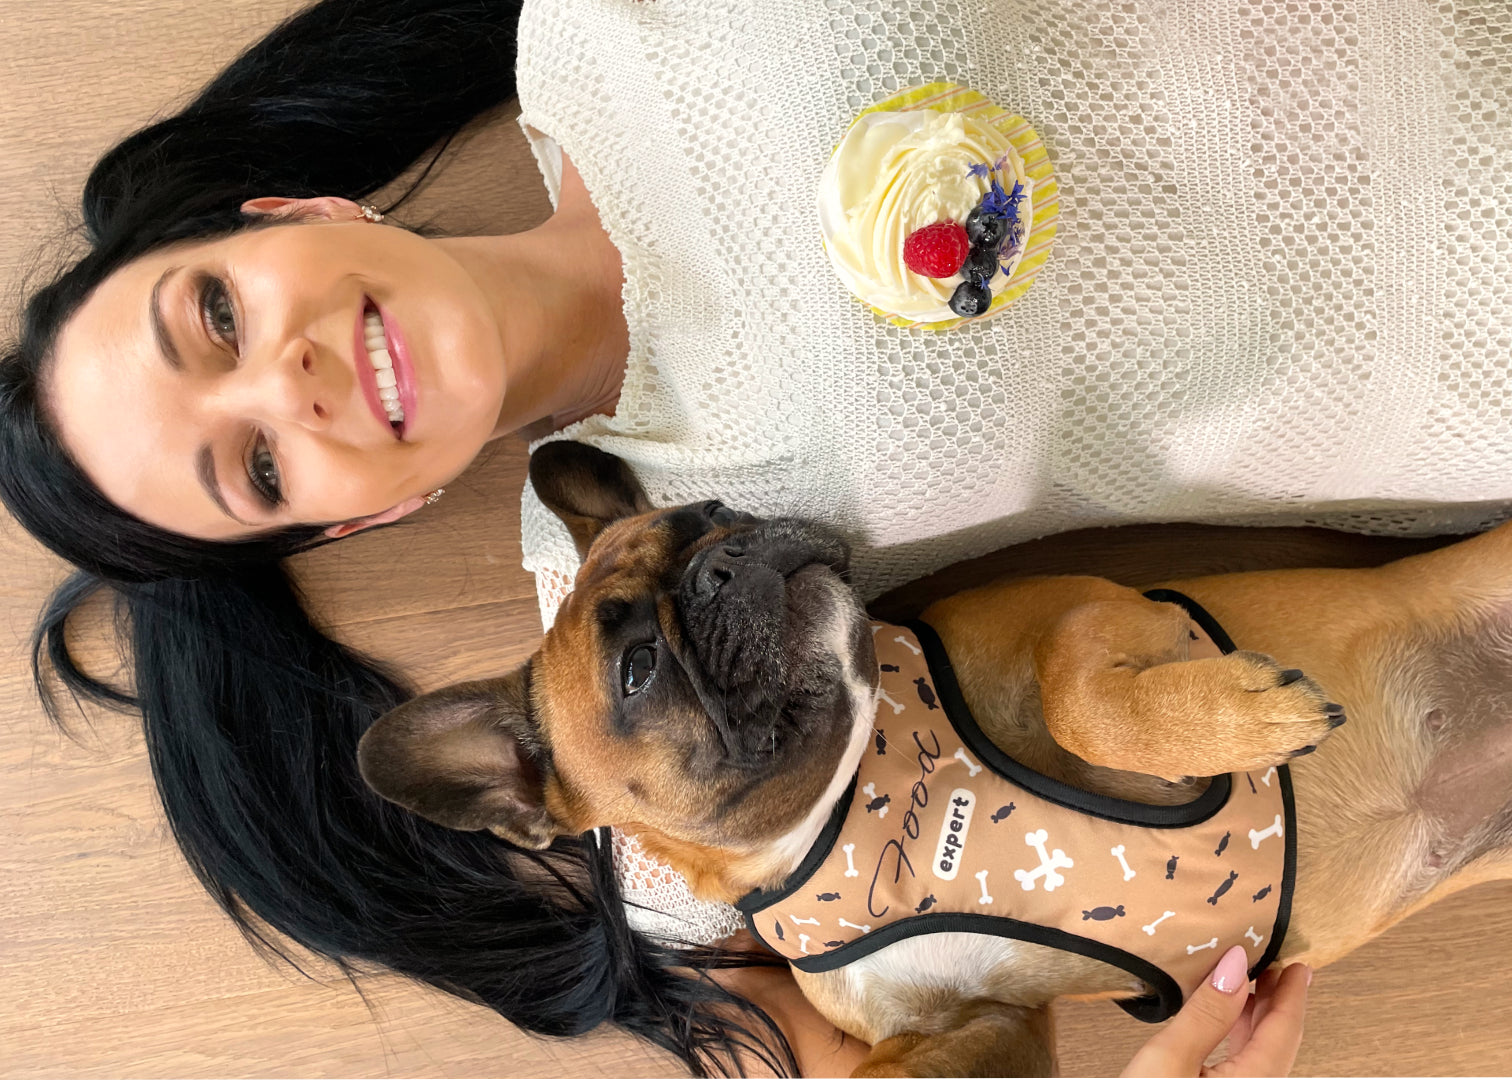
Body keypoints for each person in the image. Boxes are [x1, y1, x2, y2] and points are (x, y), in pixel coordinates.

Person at [2, 0, 1505, 1074]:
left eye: (215, 316)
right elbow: (869, 998)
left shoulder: (612, 29)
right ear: (361, 516)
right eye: (255, 466)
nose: (292, 381)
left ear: (296, 211)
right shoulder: (626, 679)